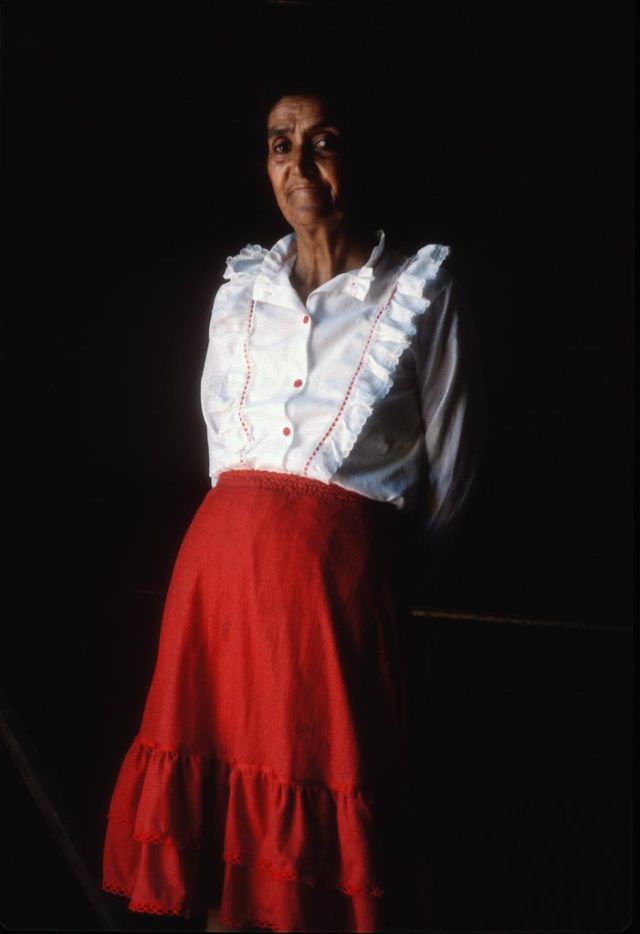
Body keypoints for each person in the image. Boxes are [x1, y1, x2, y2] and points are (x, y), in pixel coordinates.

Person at [101, 82, 483, 933]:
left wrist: (366, 580)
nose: (300, 163)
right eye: (281, 143)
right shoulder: (240, 289)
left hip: (333, 604)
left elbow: (451, 477)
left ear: (361, 156)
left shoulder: (421, 288)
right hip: (216, 595)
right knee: (222, 869)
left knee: (319, 859)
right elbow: (218, 452)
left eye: (324, 140)